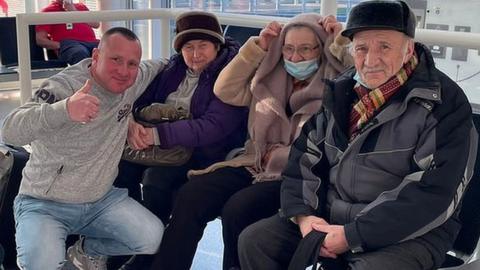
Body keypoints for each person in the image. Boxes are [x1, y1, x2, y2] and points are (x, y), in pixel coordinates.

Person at [237, 1, 479, 270]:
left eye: (384, 47)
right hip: (332, 217)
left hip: (411, 233)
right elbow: (304, 158)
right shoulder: (343, 91)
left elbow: (435, 192)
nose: (371, 60)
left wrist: (352, 235)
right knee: (255, 241)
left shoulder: (444, 105)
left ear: (408, 48)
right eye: (362, 48)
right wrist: (305, 217)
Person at [150, 13, 351, 270]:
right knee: (192, 196)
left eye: (305, 49)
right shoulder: (269, 78)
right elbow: (225, 89)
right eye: (288, 49)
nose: (295, 57)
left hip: (297, 176)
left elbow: (360, 78)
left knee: (239, 208)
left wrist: (341, 45)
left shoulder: (335, 84)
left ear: (320, 48)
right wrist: (257, 47)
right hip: (254, 163)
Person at [1, 27, 165, 270]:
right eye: (115, 59)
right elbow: (9, 129)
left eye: (132, 63)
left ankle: (85, 252)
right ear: (96, 56)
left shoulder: (134, 78)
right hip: (44, 203)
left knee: (152, 237)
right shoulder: (65, 86)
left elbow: (165, 61)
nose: (124, 71)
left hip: (100, 200)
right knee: (40, 265)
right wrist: (64, 110)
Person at [116, 11, 247, 269]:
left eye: (203, 46)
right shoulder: (173, 69)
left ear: (217, 45)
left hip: (204, 152)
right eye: (189, 47)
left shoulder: (231, 73)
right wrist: (132, 124)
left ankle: (147, 257)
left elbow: (214, 126)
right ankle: (121, 247)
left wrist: (156, 134)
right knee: (117, 171)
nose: (195, 54)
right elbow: (141, 100)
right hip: (160, 146)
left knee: (157, 181)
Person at [35, 0, 100, 65]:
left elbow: (96, 24)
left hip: (92, 42)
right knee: (79, 52)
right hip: (70, 44)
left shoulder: (81, 7)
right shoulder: (48, 11)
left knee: (106, 50)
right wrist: (61, 45)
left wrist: (74, 11)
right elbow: (40, 39)